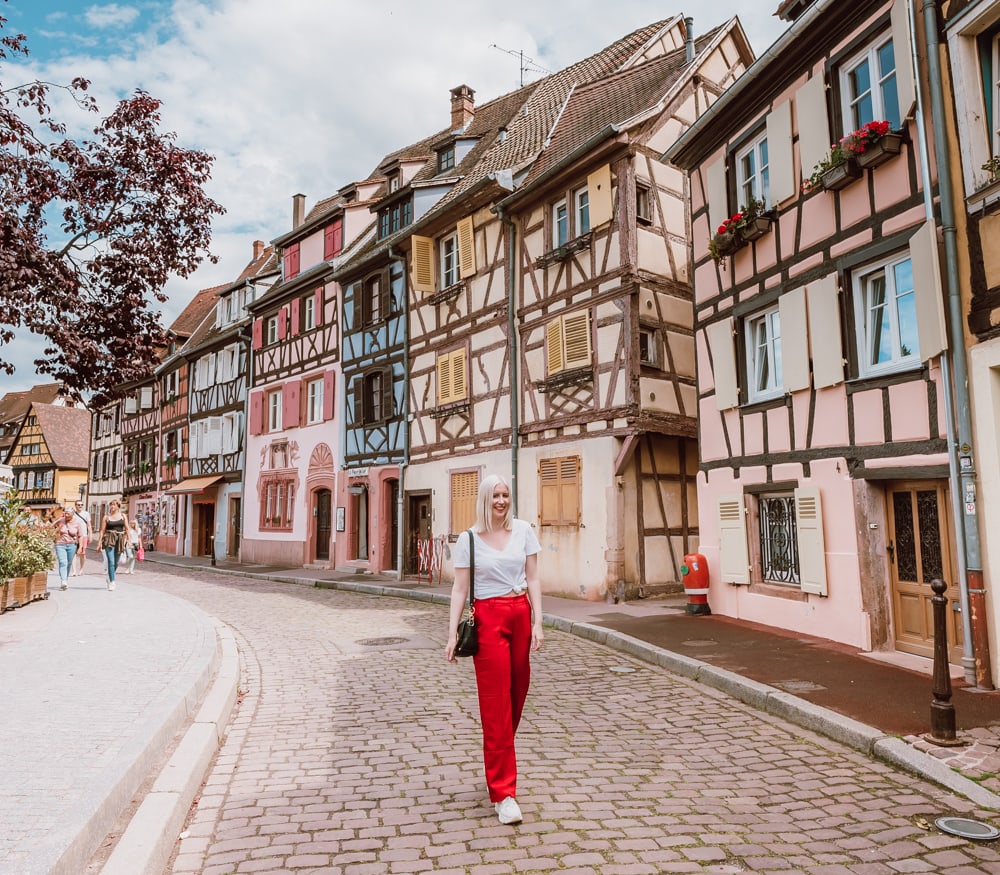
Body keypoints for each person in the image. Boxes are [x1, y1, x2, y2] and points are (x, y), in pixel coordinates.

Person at [446, 474, 543, 825]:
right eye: (495, 496)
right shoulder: (468, 539)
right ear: (484, 499)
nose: (501, 501)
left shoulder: (523, 530)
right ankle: (504, 793)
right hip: (488, 618)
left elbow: (533, 578)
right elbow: (459, 589)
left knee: (517, 695)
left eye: (505, 495)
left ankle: (497, 752)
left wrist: (538, 622)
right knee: (495, 703)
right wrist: (451, 634)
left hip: (520, 613)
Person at [98, 499, 130, 591]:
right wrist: (100, 542)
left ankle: (110, 577)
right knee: (111, 561)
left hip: (120, 539)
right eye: (111, 505)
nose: (112, 506)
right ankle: (112, 582)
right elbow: (102, 530)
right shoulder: (106, 517)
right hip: (109, 539)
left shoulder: (123, 516)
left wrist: (129, 540)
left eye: (114, 505)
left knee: (116, 562)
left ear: (118, 507)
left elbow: (127, 529)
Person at [53, 506, 81, 591]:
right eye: (65, 513)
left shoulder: (77, 522)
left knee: (68, 563)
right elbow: (51, 526)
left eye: (68, 513)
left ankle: (65, 580)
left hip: (72, 544)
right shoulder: (61, 520)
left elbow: (80, 535)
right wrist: (55, 533)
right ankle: (63, 581)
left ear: (72, 514)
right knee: (63, 562)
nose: (66, 515)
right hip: (60, 544)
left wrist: (81, 547)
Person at [70, 500, 91, 576]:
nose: (80, 506)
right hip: (74, 536)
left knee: (82, 553)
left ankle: (81, 569)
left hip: (84, 535)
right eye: (78, 505)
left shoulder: (86, 514)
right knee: (73, 553)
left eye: (81, 505)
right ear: (75, 505)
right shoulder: (73, 514)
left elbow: (89, 525)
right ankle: (74, 571)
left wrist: (90, 535)